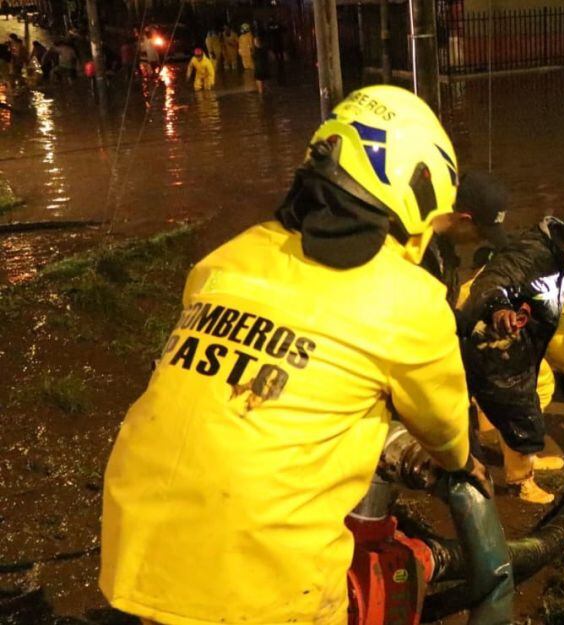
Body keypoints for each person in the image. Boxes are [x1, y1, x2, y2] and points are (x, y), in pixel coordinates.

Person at [98, 85, 489, 625]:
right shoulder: (411, 300)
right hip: (264, 579)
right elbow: (444, 430)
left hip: (137, 548)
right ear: (416, 191)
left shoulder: (229, 256)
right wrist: (461, 464)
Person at [459, 212, 564, 504]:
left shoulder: (558, 255)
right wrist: (499, 308)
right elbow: (492, 281)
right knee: (522, 415)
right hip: (493, 345)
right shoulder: (531, 255)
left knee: (524, 397)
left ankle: (508, 446)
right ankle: (522, 481)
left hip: (511, 345)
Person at [422, 170, 510, 307]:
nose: (480, 241)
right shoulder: (417, 251)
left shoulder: (445, 246)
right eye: (482, 234)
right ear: (465, 220)